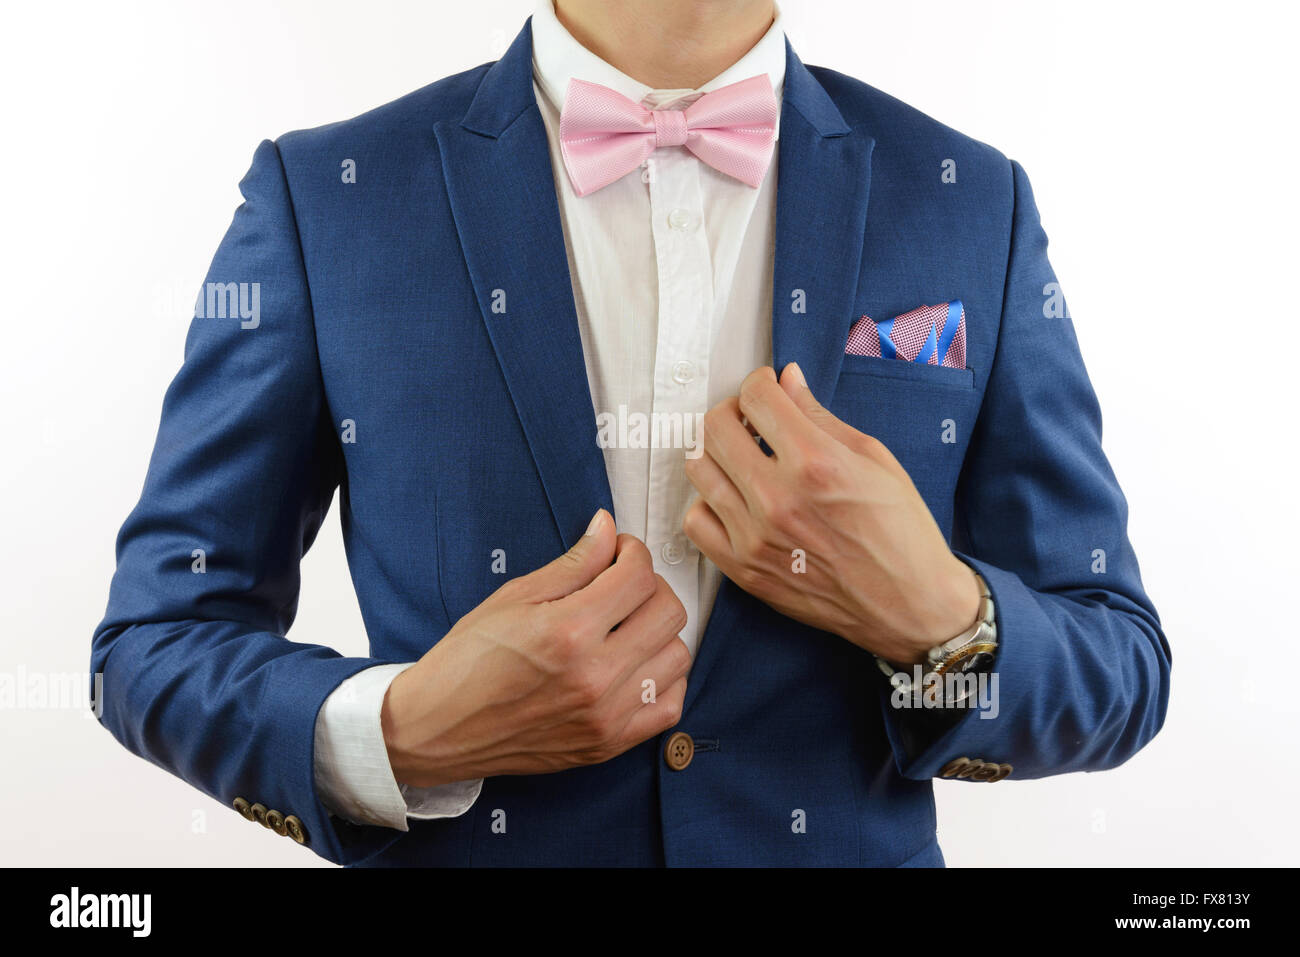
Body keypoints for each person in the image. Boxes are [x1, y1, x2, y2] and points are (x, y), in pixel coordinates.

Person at [91, 0, 1171, 866]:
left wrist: (937, 619)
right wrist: (407, 728)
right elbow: (150, 646)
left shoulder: (972, 201)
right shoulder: (327, 198)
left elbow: (1118, 660)